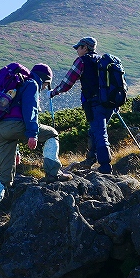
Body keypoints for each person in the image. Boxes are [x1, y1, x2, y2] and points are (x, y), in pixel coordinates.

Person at [0, 63, 70, 221]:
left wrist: (17, 152)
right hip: (14, 126)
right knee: (52, 134)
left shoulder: (17, 83)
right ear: (44, 80)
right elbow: (30, 110)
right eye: (46, 85)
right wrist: (33, 134)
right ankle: (53, 172)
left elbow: (10, 116)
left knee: (5, 177)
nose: (44, 88)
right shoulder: (32, 84)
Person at [50, 36, 113, 174]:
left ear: (85, 47)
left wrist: (54, 92)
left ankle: (105, 166)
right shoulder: (104, 61)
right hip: (110, 104)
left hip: (94, 103)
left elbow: (67, 82)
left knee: (100, 133)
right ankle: (91, 159)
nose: (77, 50)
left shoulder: (82, 61)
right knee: (95, 131)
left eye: (78, 47)